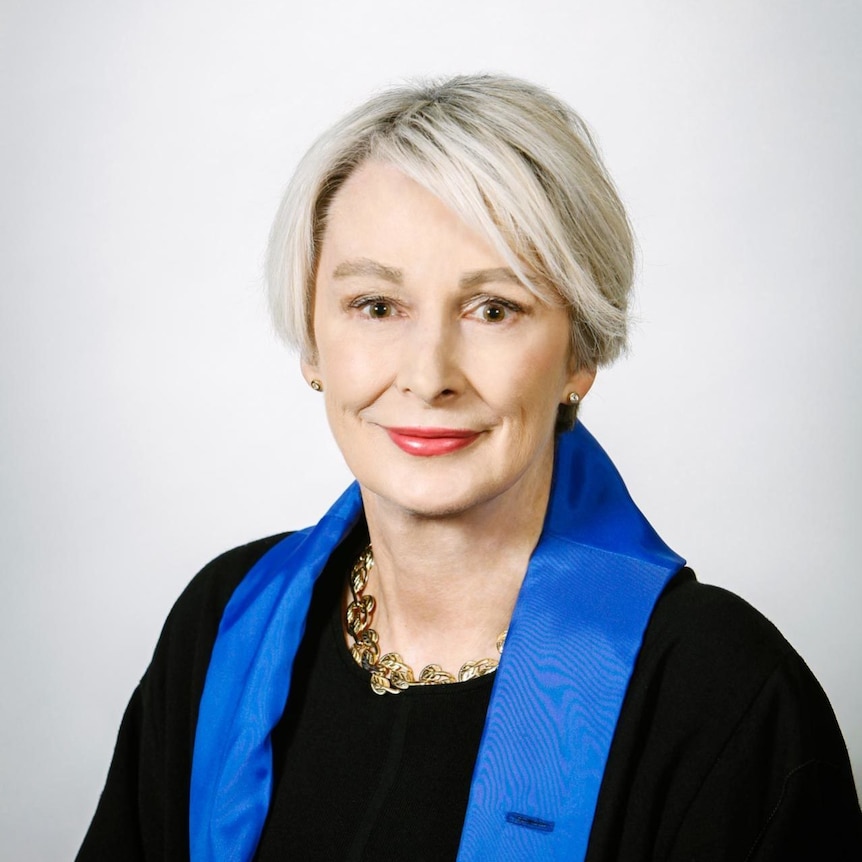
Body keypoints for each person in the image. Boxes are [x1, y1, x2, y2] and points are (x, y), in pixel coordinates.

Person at [77, 75, 862, 861]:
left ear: (579, 354)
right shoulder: (223, 627)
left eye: (494, 309)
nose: (429, 375)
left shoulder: (721, 696)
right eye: (377, 306)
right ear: (315, 345)